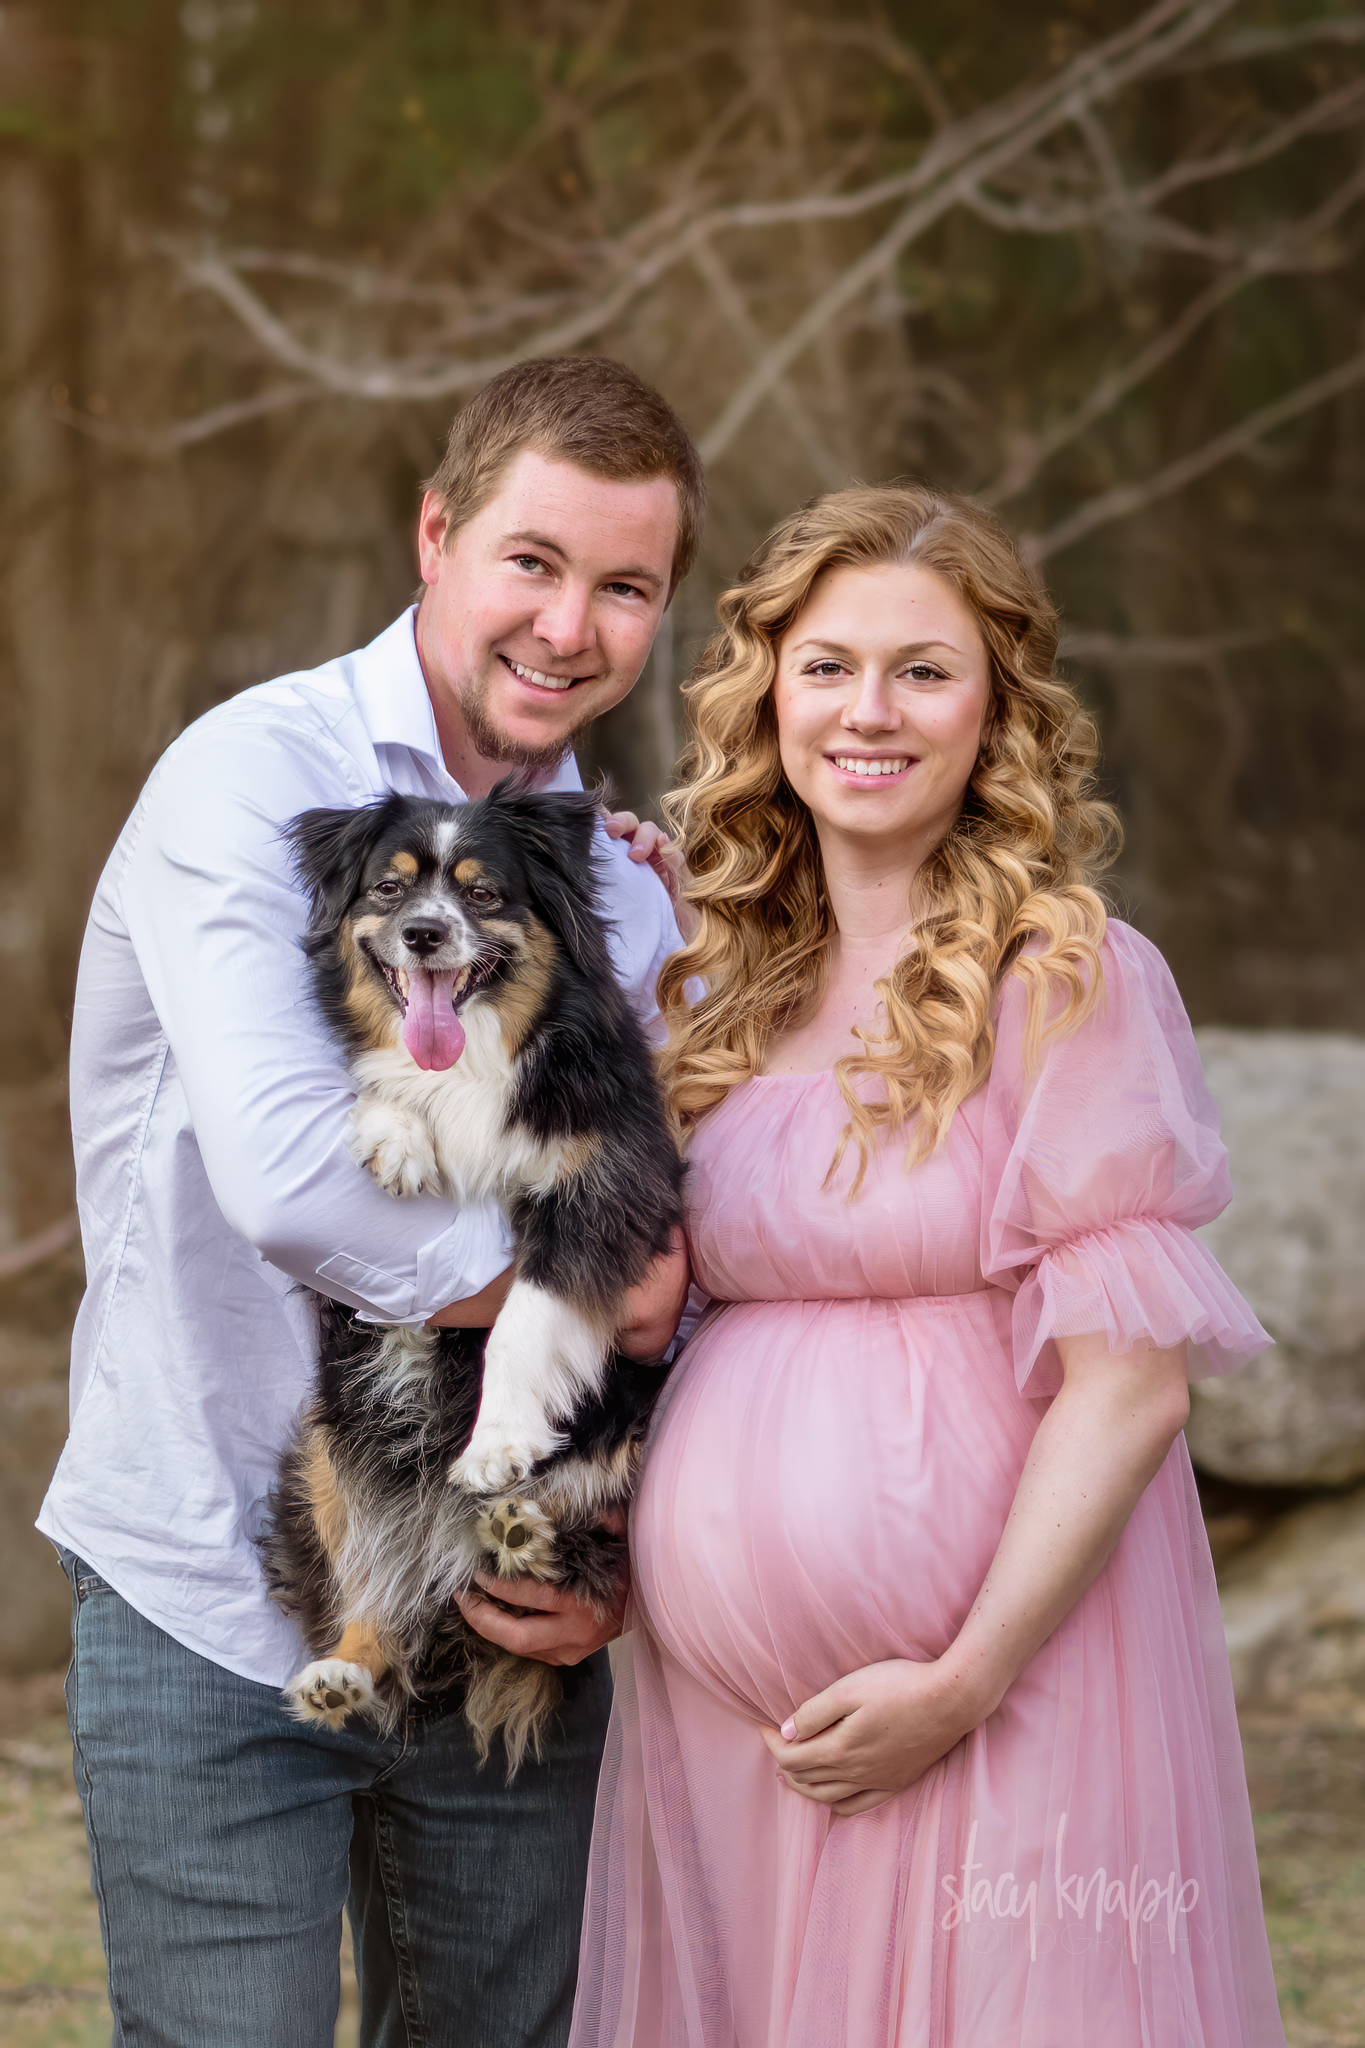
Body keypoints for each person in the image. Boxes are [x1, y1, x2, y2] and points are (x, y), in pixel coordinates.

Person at [570, 484, 1287, 2048]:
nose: (867, 713)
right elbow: (635, 1310)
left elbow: (1129, 1392)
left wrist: (958, 1681)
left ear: (996, 708)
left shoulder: (1064, 971)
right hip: (725, 1727)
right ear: (764, 688)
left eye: (922, 669)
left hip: (1004, 1698)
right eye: (825, 666)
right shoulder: (708, 978)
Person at [39, 354, 696, 2048]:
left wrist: (612, 1574)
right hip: (216, 1580)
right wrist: (578, 1287)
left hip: (504, 1617)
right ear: (435, 535)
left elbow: (694, 1238)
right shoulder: (246, 784)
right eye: (533, 563)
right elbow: (295, 1185)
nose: (569, 627)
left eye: (624, 587)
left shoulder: (619, 895)